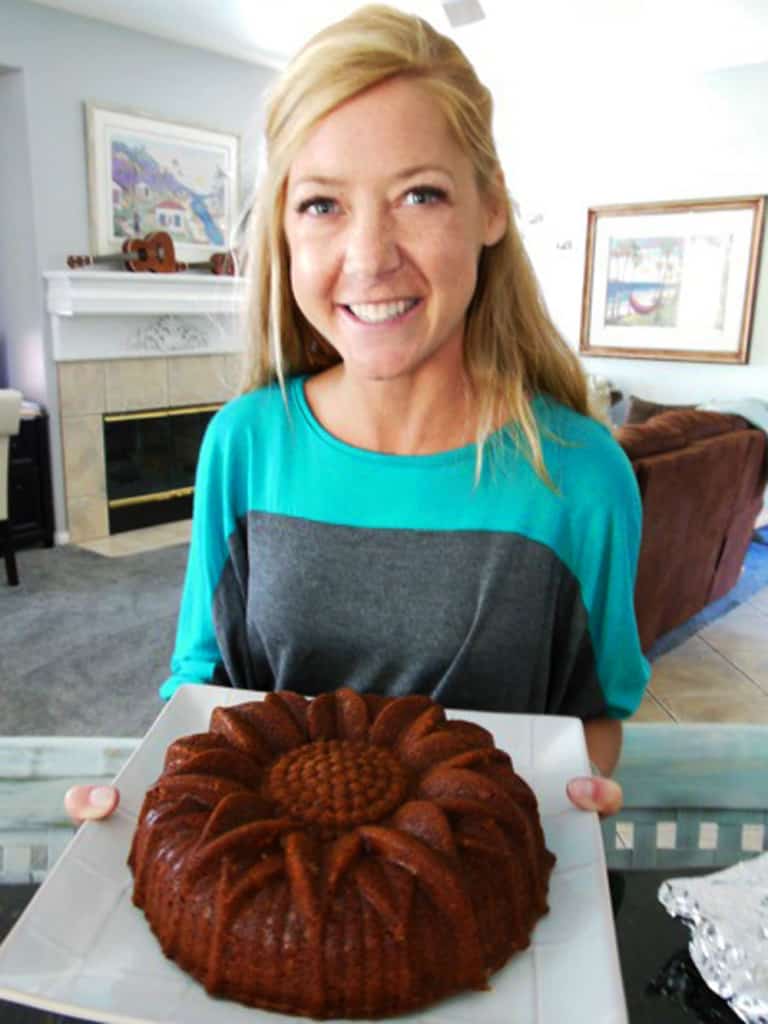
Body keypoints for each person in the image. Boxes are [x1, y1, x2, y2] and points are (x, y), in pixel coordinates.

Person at [66, 3, 649, 824]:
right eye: (322, 204)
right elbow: (201, 689)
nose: (369, 257)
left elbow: (599, 709)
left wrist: (579, 790)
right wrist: (144, 809)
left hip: (494, 893)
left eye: (419, 193)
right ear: (285, 230)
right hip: (277, 899)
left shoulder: (581, 475)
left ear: (490, 209)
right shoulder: (245, 444)